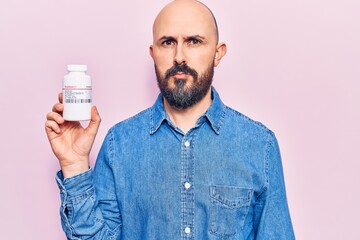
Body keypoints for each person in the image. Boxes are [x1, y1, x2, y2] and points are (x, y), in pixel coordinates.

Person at [45, 0, 295, 239]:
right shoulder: (118, 144)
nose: (179, 57)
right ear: (153, 53)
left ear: (218, 53)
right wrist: (74, 164)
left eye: (194, 41)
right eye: (168, 42)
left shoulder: (259, 145)